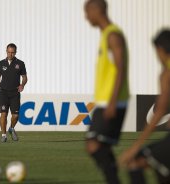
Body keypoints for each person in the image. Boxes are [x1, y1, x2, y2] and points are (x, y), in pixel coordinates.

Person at [84, 0, 130, 183]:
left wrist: (112, 101)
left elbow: (121, 68)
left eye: (87, 12)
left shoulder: (113, 35)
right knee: (100, 146)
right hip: (106, 101)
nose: (86, 17)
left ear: (97, 11)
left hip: (113, 102)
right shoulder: (105, 35)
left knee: (94, 145)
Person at [119, 30, 170, 184]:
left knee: (136, 160)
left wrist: (135, 146)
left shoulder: (166, 74)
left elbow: (160, 110)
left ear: (160, 49)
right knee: (162, 170)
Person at [0, 43, 28, 143]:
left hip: (15, 93)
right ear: (6, 51)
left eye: (12, 52)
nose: (10, 54)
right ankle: (3, 135)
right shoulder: (0, 63)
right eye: (9, 52)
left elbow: (25, 77)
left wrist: (22, 85)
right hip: (3, 92)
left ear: (15, 52)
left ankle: (11, 128)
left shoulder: (20, 63)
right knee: (3, 114)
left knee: (15, 116)